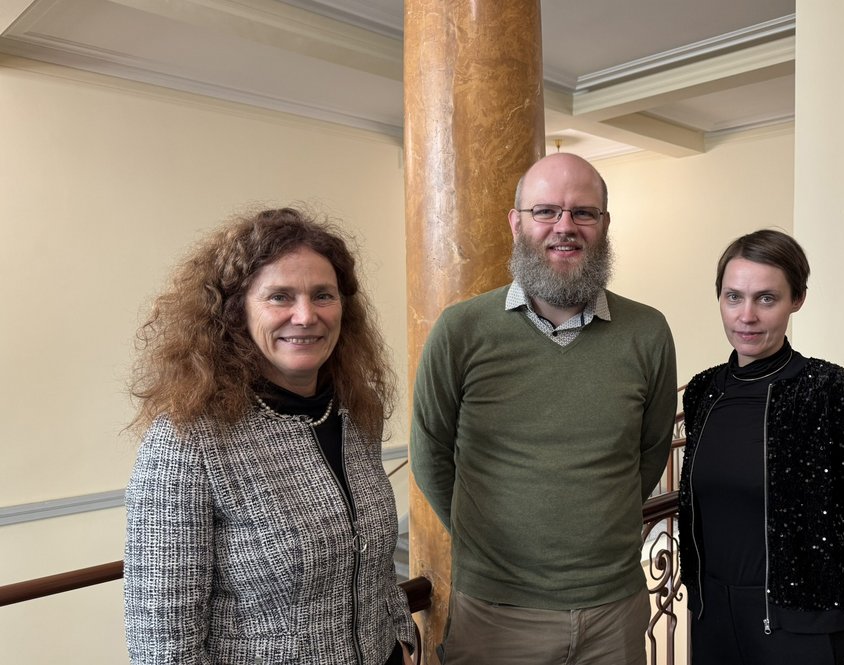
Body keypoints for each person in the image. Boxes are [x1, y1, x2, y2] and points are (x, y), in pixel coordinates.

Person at [410, 153, 678, 665]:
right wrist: (489, 545)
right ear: (516, 223)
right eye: (546, 211)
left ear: (604, 225)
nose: (565, 227)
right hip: (496, 613)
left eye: (583, 213)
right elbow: (429, 458)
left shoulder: (648, 332)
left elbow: (648, 455)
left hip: (614, 611)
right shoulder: (461, 330)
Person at [123, 207, 416, 665]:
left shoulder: (358, 413)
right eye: (280, 297)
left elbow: (372, 563)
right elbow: (164, 645)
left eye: (323, 295)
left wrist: (400, 632)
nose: (305, 316)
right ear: (235, 312)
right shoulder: (188, 441)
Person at [678, 229, 844, 665]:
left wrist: (834, 601)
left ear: (797, 299)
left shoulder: (830, 389)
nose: (747, 315)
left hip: (804, 623)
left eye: (766, 299)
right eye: (733, 297)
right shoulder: (703, 391)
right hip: (713, 615)